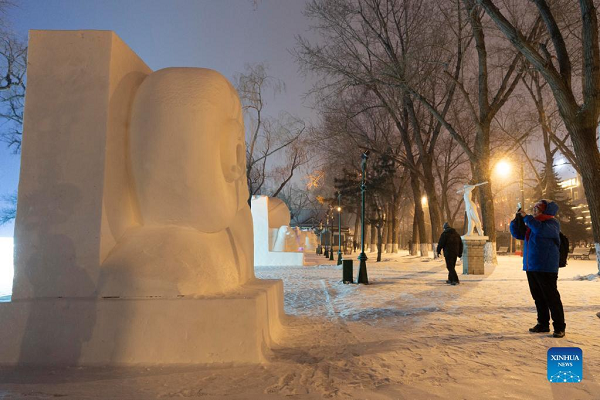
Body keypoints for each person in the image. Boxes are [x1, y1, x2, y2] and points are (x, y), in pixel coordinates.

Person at [510, 199, 566, 338]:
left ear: (545, 211)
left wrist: (527, 218)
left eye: (537, 209)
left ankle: (559, 327)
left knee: (551, 297)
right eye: (534, 209)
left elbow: (540, 230)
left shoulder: (551, 223)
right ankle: (543, 324)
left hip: (546, 266)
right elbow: (518, 234)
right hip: (532, 265)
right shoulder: (532, 224)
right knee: (538, 297)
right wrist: (516, 220)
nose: (534, 211)